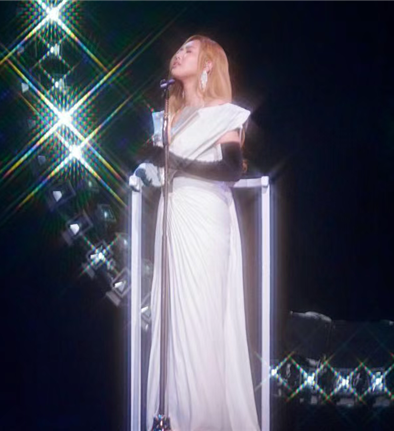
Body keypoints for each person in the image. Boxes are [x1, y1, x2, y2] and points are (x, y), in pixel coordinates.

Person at [138, 35, 260, 431]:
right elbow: (161, 166)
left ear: (208, 64)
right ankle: (173, 419)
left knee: (199, 323)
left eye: (189, 50)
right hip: (173, 219)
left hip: (205, 221)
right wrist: (154, 167)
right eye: (179, 49)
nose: (179, 54)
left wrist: (175, 162)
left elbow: (230, 169)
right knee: (172, 323)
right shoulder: (169, 117)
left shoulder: (222, 113)